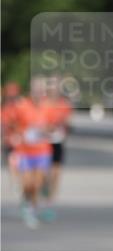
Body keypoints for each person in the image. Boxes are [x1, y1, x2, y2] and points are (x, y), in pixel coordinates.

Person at [10, 77, 54, 228]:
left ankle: (31, 210)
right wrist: (16, 134)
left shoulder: (48, 106)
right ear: (31, 91)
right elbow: (12, 123)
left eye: (41, 90)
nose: (38, 93)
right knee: (27, 184)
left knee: (36, 184)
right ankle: (27, 202)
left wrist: (45, 131)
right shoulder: (21, 105)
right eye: (36, 89)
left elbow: (53, 126)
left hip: (43, 151)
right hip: (24, 151)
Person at [41, 78, 73, 221]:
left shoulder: (64, 105)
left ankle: (50, 204)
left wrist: (64, 127)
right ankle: (43, 190)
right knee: (43, 175)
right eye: (51, 87)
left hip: (58, 142)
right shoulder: (42, 103)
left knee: (55, 174)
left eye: (56, 88)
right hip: (43, 143)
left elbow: (68, 123)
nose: (53, 90)